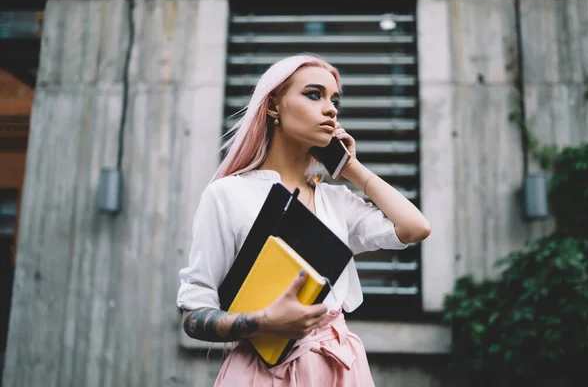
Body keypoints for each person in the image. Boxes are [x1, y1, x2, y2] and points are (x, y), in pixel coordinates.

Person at [177, 54, 431, 386]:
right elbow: (194, 315)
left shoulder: (335, 201)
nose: (331, 109)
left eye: (334, 100)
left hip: (341, 368)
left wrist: (349, 168)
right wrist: (264, 322)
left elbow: (414, 228)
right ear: (273, 107)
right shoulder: (227, 195)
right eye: (314, 94)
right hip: (264, 372)